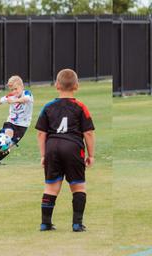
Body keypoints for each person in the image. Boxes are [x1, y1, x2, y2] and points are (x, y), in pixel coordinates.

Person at [35, 69, 95, 232]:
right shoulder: (81, 107)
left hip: (52, 148)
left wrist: (43, 155)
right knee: (78, 187)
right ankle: (77, 224)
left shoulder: (48, 107)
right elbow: (88, 133)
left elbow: (41, 133)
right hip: (73, 148)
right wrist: (91, 155)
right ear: (76, 86)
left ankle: (45, 223)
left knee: (51, 187)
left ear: (56, 85)